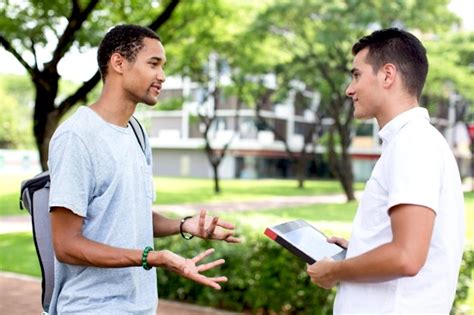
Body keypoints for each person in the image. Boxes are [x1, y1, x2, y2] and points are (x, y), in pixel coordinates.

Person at [48, 24, 240, 314]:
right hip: (90, 308)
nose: (162, 76)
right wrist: (153, 257)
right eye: (154, 64)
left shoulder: (137, 132)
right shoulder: (77, 136)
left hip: (139, 307)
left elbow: (129, 215)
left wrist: (183, 225)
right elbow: (66, 245)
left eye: (163, 66)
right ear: (119, 62)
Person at [306, 28, 465, 313]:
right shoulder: (414, 141)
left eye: (356, 75)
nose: (349, 89)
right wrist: (358, 253)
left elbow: (406, 256)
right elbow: (411, 245)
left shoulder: (412, 143)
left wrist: (336, 270)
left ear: (387, 75)